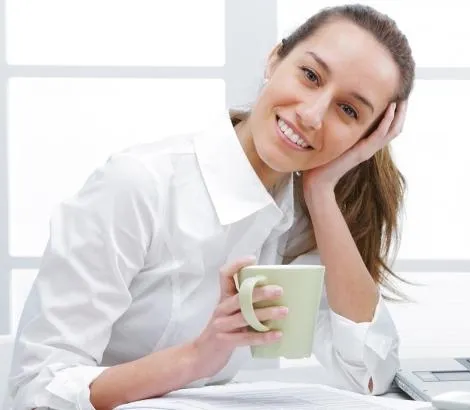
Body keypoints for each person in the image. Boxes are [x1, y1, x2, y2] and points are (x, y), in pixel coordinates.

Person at [6, 4, 415, 410]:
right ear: (275, 59)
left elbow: (369, 375)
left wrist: (322, 191)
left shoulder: (302, 218)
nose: (312, 115)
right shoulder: (139, 184)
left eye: (349, 111)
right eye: (310, 75)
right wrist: (197, 357)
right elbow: (37, 391)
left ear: (367, 138)